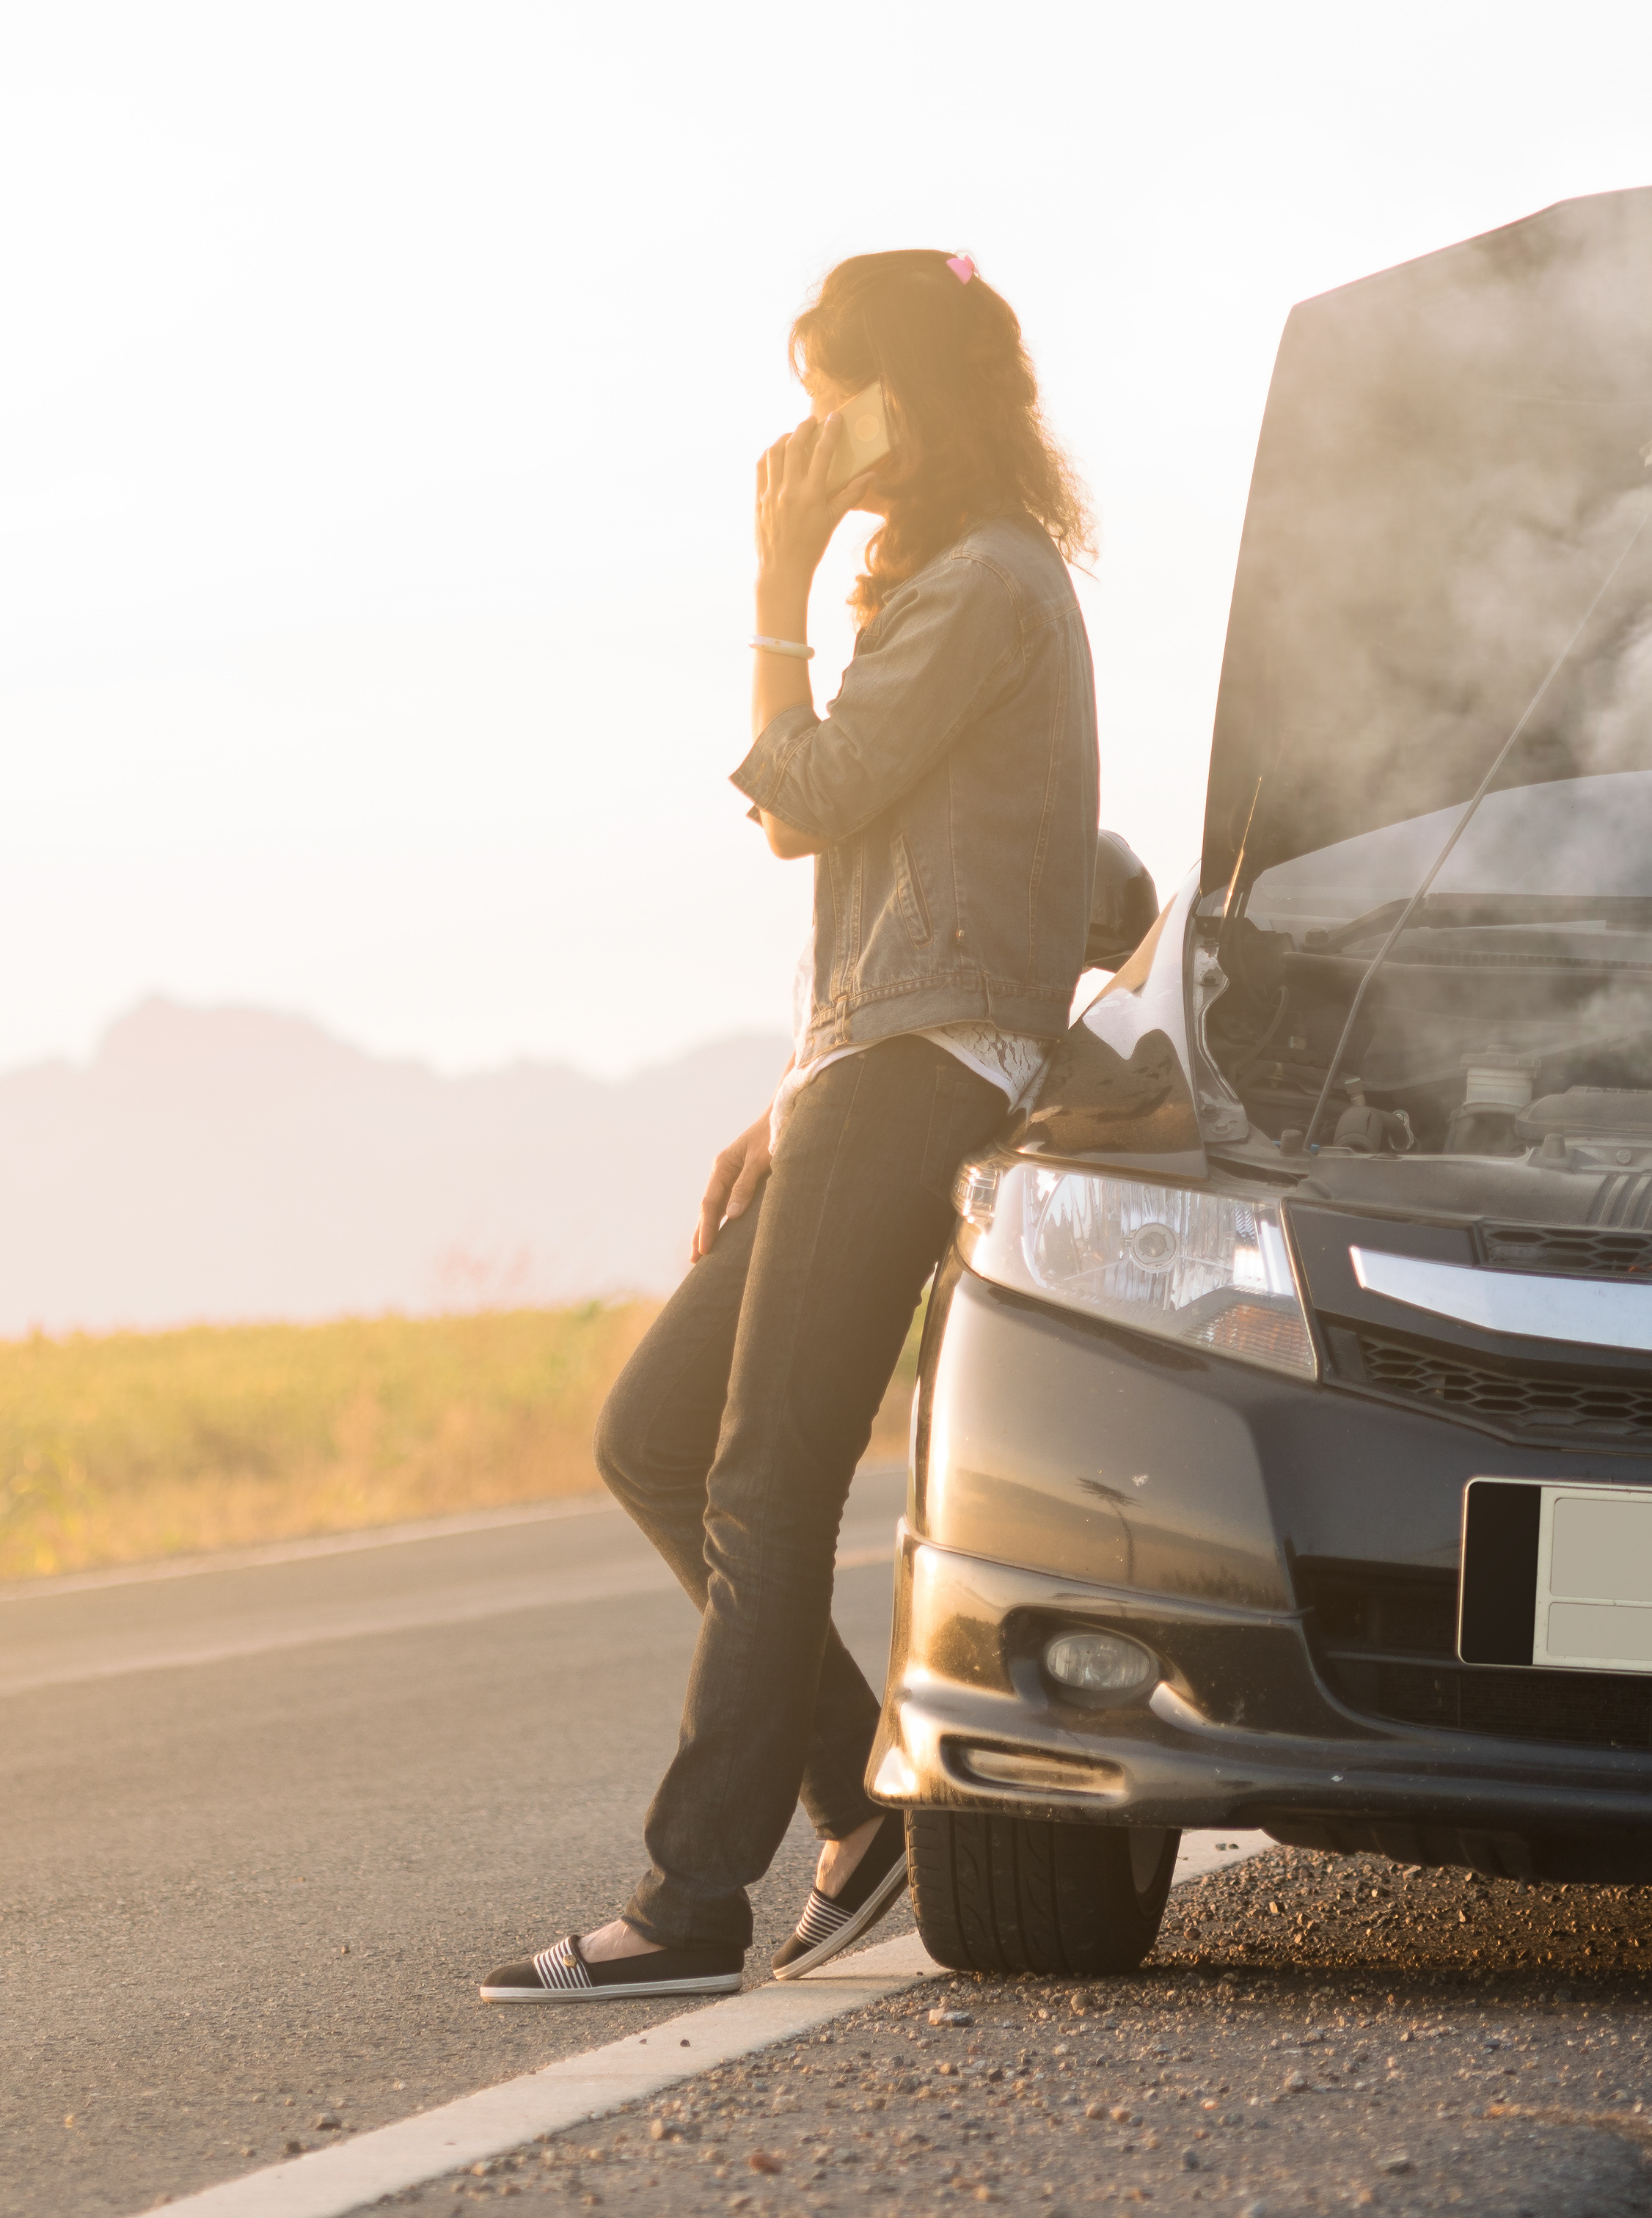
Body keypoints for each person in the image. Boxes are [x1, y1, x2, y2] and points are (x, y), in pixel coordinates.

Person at [479, 247, 1100, 2002]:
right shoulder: (960, 585)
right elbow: (936, 876)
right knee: (656, 1435)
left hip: (913, 1075)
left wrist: (771, 573)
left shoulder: (983, 580)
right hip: (865, 1066)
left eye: (833, 389)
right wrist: (796, 1082)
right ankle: (861, 1788)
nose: (811, 429)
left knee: (761, 1471)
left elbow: (805, 802)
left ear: (909, 392)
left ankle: (690, 1901)